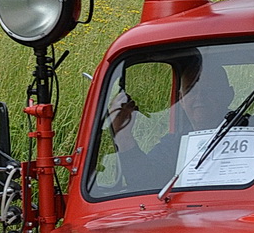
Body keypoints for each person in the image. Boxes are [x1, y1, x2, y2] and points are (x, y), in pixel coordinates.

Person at [99, 61, 235, 190]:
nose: (200, 97)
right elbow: (145, 182)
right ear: (181, 99)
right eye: (191, 90)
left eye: (209, 90)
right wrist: (123, 135)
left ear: (229, 95)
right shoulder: (174, 144)